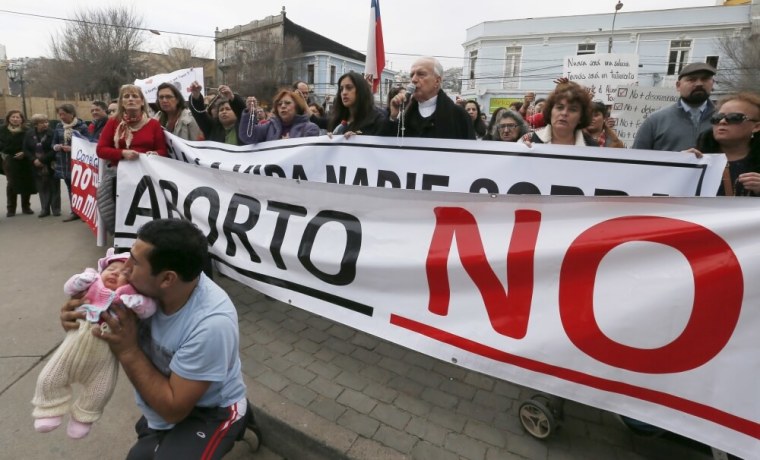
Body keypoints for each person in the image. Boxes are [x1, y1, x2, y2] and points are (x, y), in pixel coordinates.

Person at [59, 219, 253, 458]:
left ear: (167, 279)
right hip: (167, 398)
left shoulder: (211, 324)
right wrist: (81, 319)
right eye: (129, 255)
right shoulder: (137, 289)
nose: (124, 267)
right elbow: (95, 324)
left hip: (213, 409)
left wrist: (128, 350)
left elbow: (173, 410)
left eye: (135, 262)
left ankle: (241, 423)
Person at [32, 249, 156, 439]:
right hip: (72, 349)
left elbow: (148, 309)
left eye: (124, 273)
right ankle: (49, 411)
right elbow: (70, 288)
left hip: (104, 358)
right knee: (48, 378)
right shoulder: (90, 285)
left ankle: (83, 419)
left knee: (101, 390)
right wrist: (80, 280)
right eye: (111, 268)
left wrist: (138, 302)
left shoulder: (128, 299)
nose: (116, 273)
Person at [97, 84, 168, 234]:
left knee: (144, 217)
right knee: (121, 215)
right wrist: (122, 153)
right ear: (122, 102)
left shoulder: (153, 125)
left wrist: (155, 155)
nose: (130, 99)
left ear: (142, 101)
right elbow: (101, 150)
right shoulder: (113, 123)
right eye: (126, 96)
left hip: (146, 180)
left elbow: (163, 151)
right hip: (120, 178)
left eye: (135, 96)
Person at [382, 57, 475, 140]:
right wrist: (393, 118)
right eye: (412, 75)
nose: (413, 79)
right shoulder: (405, 114)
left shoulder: (459, 116)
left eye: (421, 74)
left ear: (437, 81)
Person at [687, 92, 760, 196]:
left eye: (734, 117)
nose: (722, 121)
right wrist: (679, 166)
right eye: (717, 117)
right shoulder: (694, 157)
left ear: (756, 127)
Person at [633, 62, 716, 152]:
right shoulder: (655, 120)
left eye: (705, 79)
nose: (699, 84)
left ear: (713, 84)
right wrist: (677, 159)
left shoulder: (726, 119)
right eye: (692, 79)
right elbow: (637, 159)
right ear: (678, 85)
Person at [519, 80, 598, 146]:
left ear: (581, 117)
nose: (564, 113)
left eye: (573, 109)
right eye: (560, 107)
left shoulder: (592, 147)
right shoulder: (528, 139)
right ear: (550, 111)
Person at [238, 89, 319, 144]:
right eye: (279, 104)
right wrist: (250, 112)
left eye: (287, 103)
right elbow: (247, 136)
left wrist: (289, 146)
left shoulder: (310, 128)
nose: (283, 106)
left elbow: (309, 155)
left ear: (297, 107)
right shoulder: (270, 126)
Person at [51, 104, 89, 222]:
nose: (61, 116)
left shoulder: (82, 126)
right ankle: (75, 212)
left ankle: (84, 212)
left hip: (78, 163)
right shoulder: (58, 126)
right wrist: (57, 146)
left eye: (64, 114)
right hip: (64, 163)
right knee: (70, 188)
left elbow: (88, 144)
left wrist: (73, 148)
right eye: (60, 114)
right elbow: (53, 143)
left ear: (72, 114)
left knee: (81, 188)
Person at [328, 71, 386, 137]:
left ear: (361, 90)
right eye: (341, 89)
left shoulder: (376, 120)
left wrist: (358, 140)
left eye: (349, 88)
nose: (344, 93)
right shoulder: (337, 120)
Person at [23, 114, 60, 217]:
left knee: (54, 186)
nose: (45, 124)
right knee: (42, 188)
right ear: (35, 124)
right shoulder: (29, 134)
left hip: (51, 163)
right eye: (42, 123)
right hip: (36, 165)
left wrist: (42, 160)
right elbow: (26, 149)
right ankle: (45, 209)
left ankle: (56, 209)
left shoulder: (52, 133)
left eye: (46, 122)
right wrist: (34, 160)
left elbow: (54, 149)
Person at [1, 110, 36, 217]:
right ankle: (11, 209)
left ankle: (26, 207)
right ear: (8, 118)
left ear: (22, 119)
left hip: (25, 159)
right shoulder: (2, 130)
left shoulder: (27, 130)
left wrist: (24, 153)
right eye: (13, 117)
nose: (15, 119)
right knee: (11, 183)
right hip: (9, 158)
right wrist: (9, 152)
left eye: (18, 117)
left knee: (26, 181)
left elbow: (32, 144)